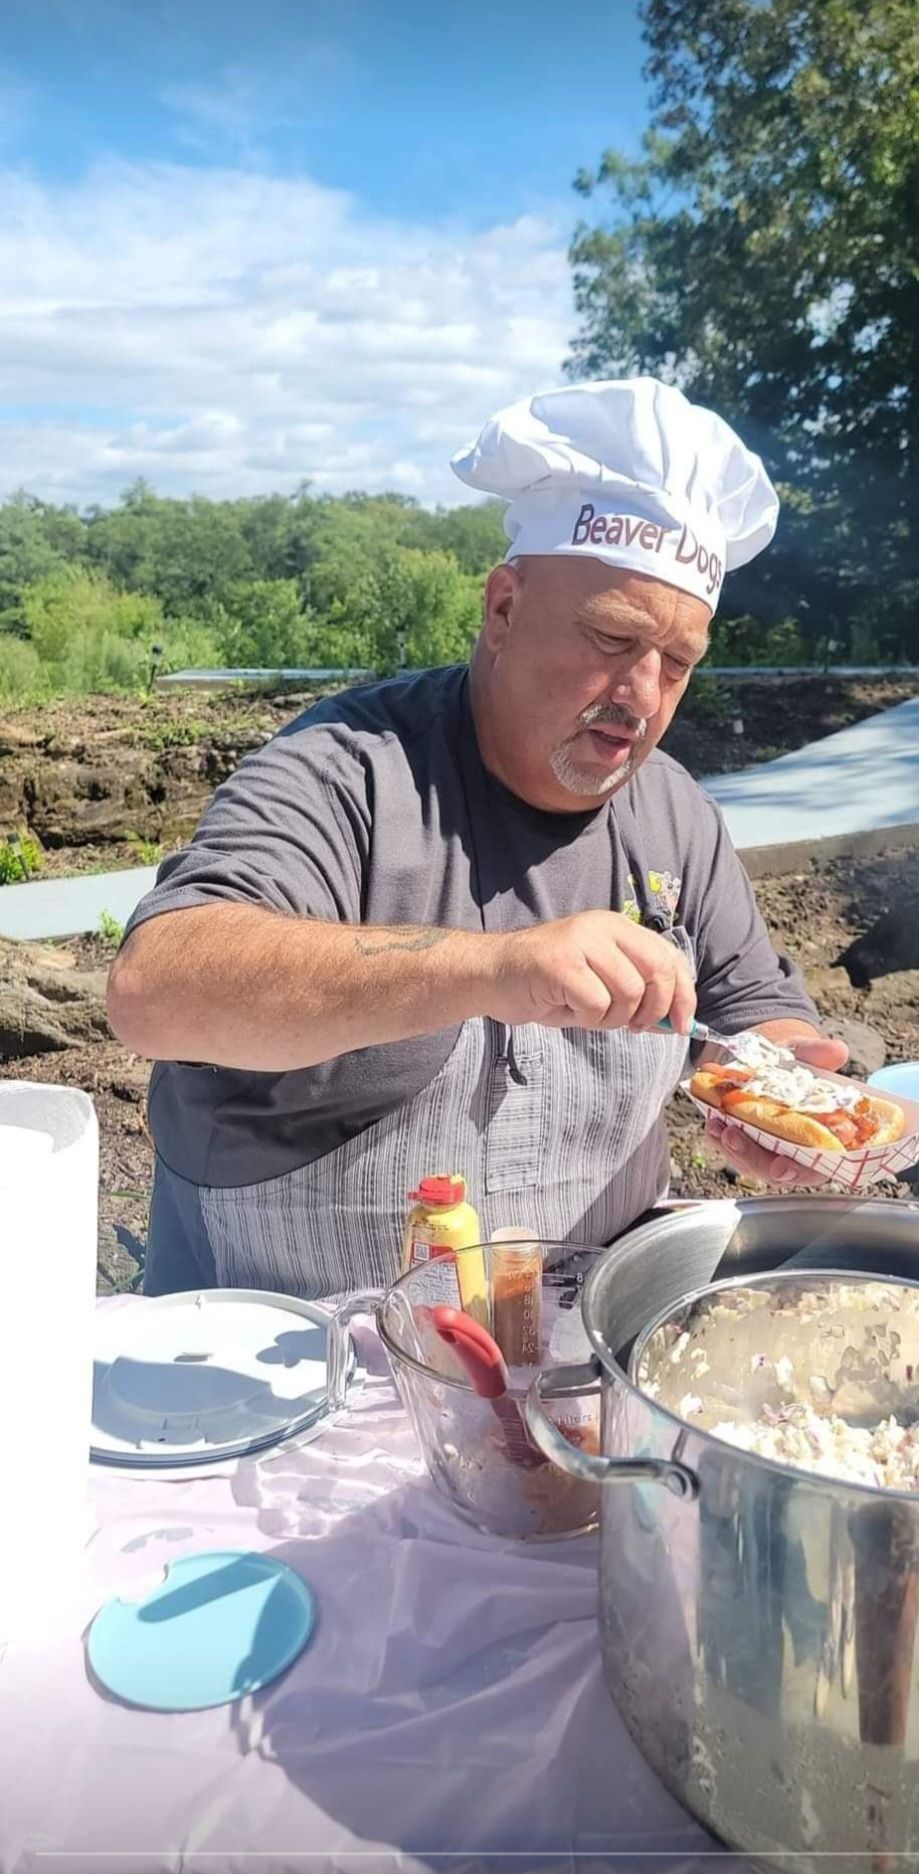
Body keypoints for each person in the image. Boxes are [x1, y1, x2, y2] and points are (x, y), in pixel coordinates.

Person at [108, 377, 847, 1299]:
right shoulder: (351, 770)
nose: (642, 695)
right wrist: (493, 969)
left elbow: (753, 1014)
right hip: (295, 1369)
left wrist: (787, 1088)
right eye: (611, 639)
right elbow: (157, 987)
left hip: (579, 1366)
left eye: (678, 663)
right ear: (502, 608)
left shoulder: (674, 815)